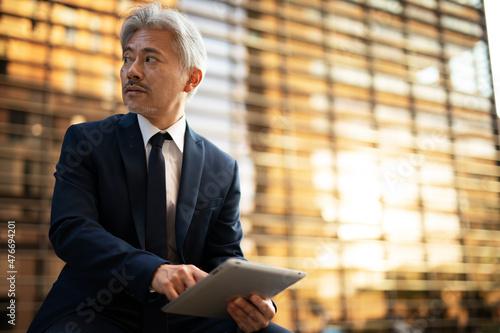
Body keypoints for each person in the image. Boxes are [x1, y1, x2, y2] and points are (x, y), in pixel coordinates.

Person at [27, 2, 292, 333]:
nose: (131, 70)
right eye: (127, 58)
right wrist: (152, 271)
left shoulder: (222, 167)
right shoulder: (88, 140)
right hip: (97, 309)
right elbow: (72, 230)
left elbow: (223, 257)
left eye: (149, 58)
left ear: (191, 79)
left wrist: (253, 300)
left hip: (188, 317)